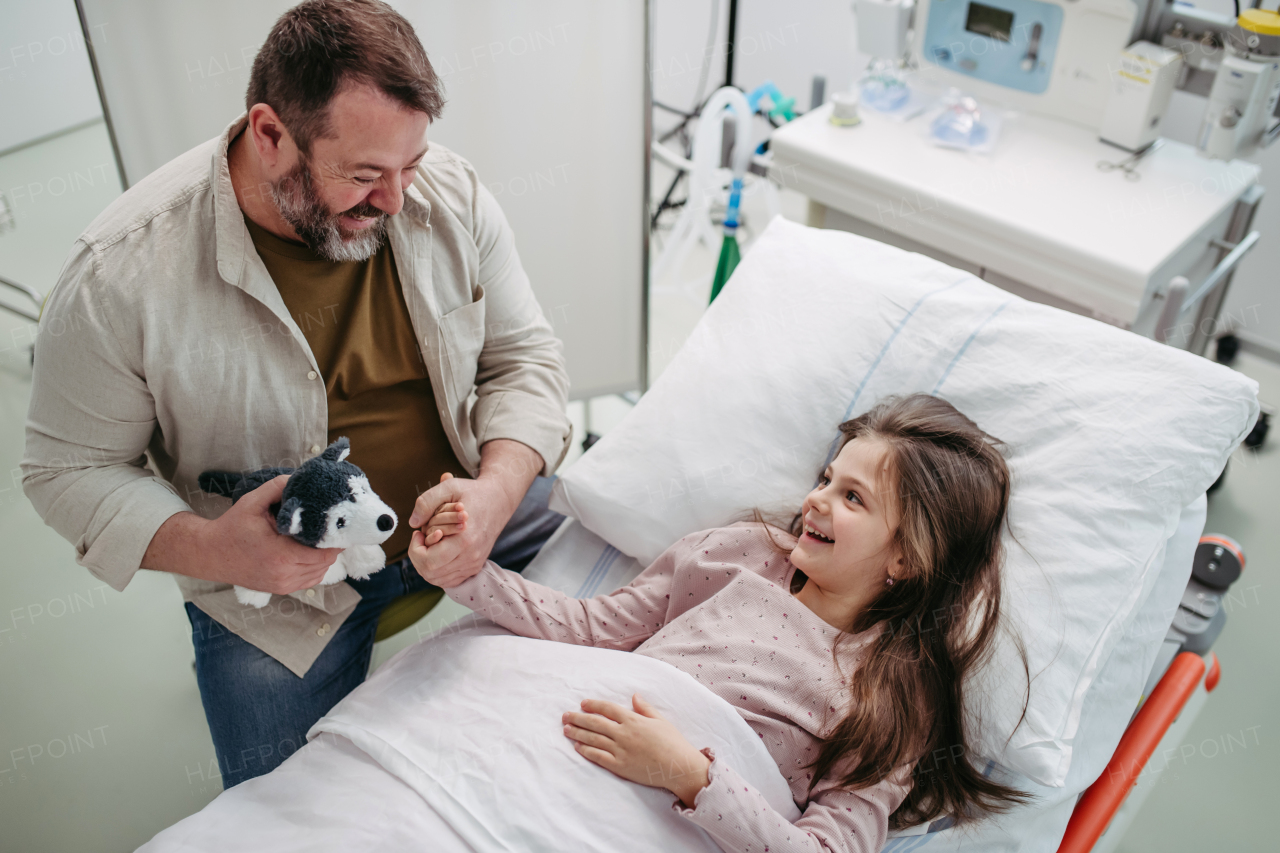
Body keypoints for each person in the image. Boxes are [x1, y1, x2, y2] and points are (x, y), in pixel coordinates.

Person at [21, 0, 570, 789]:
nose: (396, 200)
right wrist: (215, 549)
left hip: (471, 508)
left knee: (642, 605)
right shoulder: (119, 275)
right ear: (270, 133)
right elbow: (64, 469)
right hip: (277, 598)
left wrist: (495, 490)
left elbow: (525, 358)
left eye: (410, 165)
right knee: (283, 815)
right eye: (364, 176)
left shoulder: (444, 193)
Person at [413, 394, 1031, 853]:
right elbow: (591, 629)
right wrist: (464, 572)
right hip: (564, 745)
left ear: (907, 556)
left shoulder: (889, 699)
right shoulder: (736, 556)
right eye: (827, 479)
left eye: (853, 498)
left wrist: (689, 774)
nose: (815, 500)